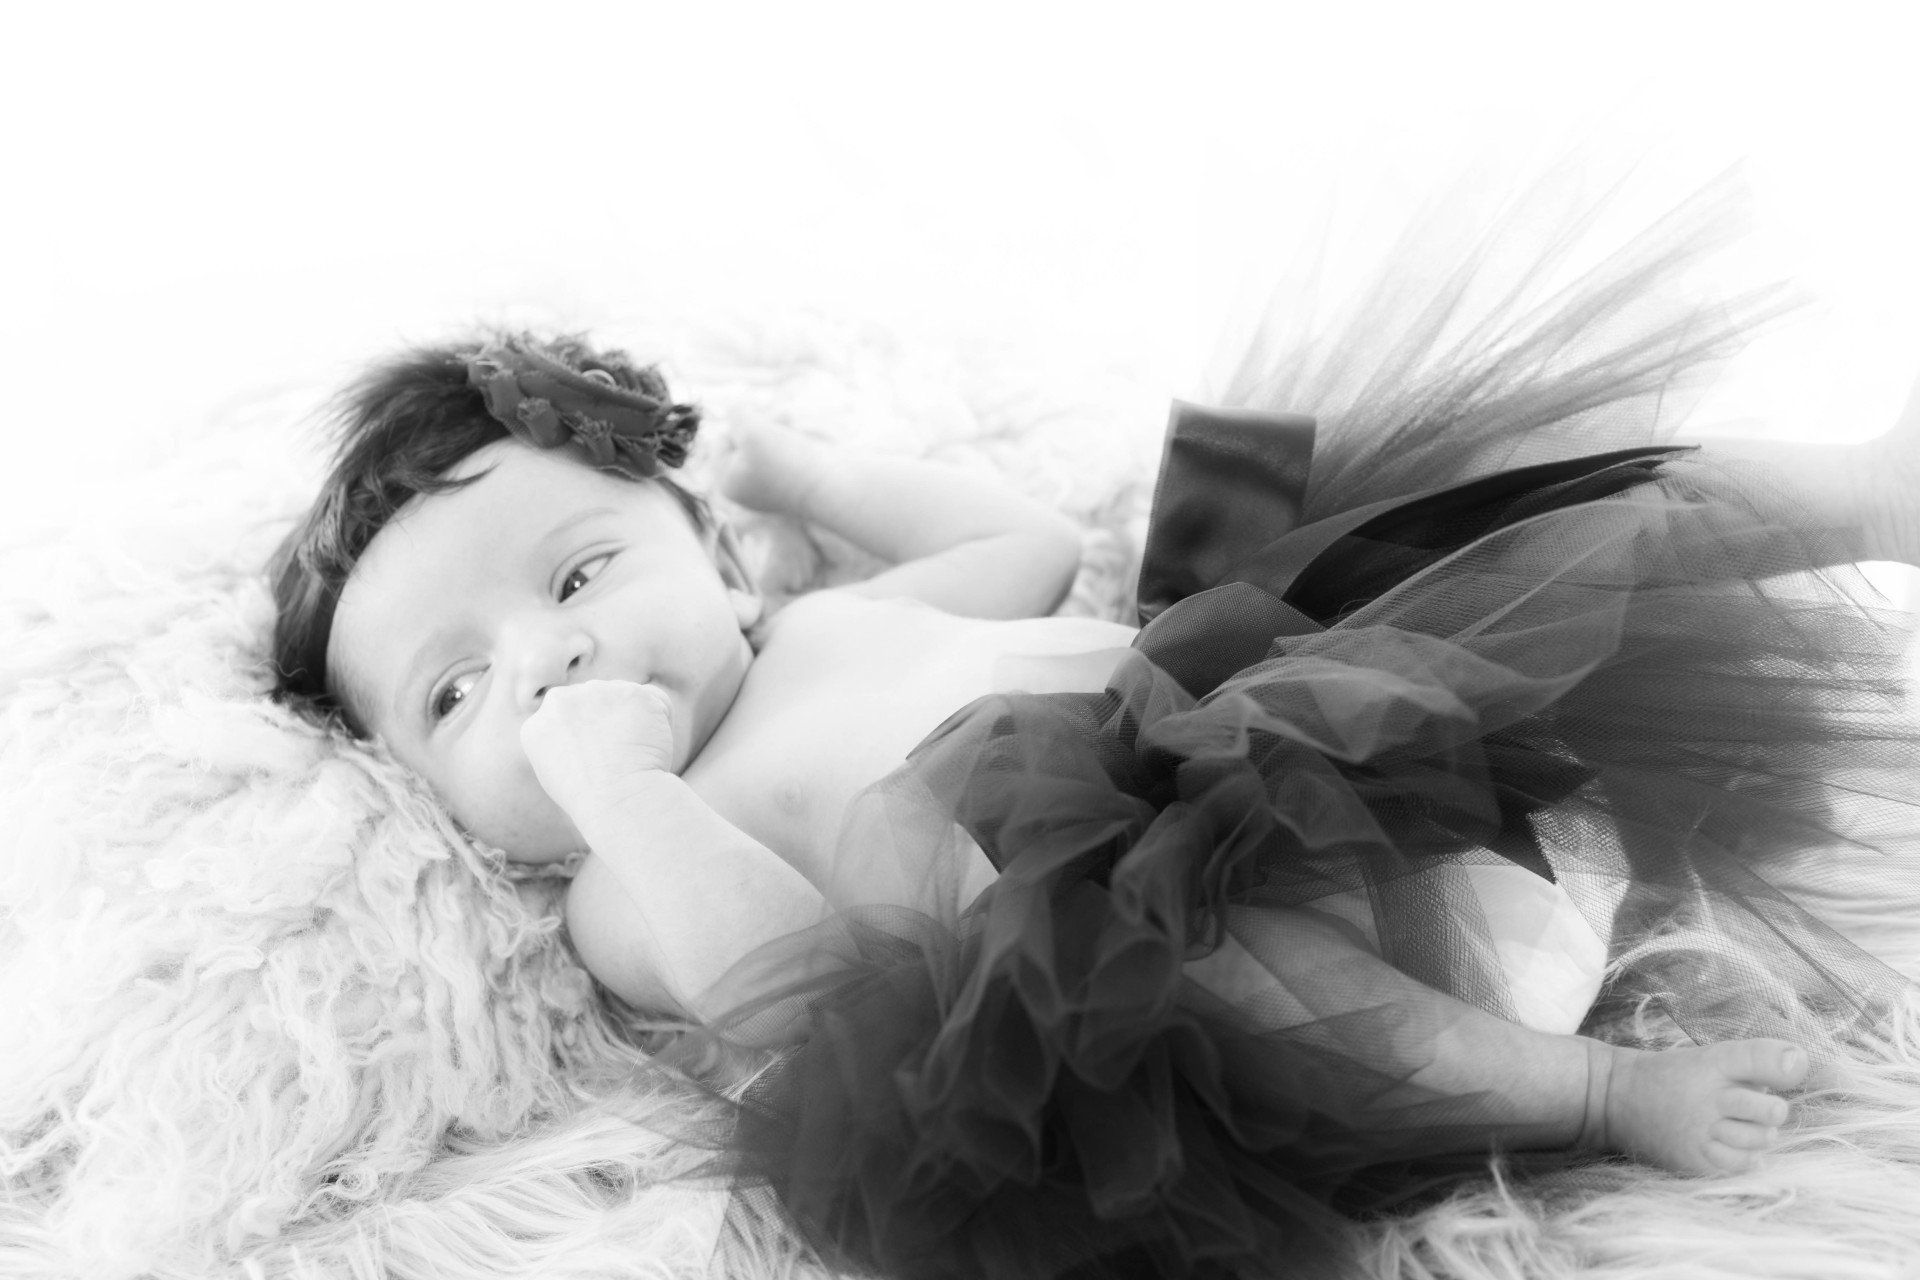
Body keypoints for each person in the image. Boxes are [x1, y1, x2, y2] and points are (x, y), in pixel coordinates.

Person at [270, 188, 1920, 1279]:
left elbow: (1029, 550)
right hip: (1136, 920)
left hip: (1285, 707)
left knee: (1475, 522)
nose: (542, 660)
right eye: (453, 693)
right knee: (1242, 972)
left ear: (718, 558)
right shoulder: (626, 870)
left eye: (578, 573)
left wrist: (817, 480)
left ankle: (1857, 492)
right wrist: (622, 790)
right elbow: (790, 983)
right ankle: (1599, 1093)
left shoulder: (827, 621)